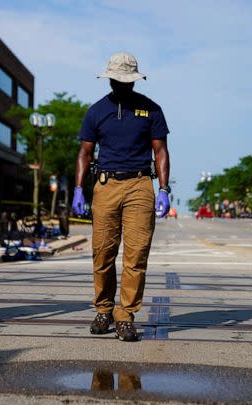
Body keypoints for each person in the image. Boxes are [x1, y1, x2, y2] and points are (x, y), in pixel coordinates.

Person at [72, 52, 171, 342]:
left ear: (134, 80)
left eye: (127, 80)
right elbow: (85, 153)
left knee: (136, 254)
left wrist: (163, 189)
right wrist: (79, 189)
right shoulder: (96, 111)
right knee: (102, 252)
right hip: (105, 186)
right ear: (110, 79)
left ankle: (125, 315)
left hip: (140, 185)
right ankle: (104, 309)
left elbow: (160, 151)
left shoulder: (151, 110)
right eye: (117, 80)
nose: (122, 85)